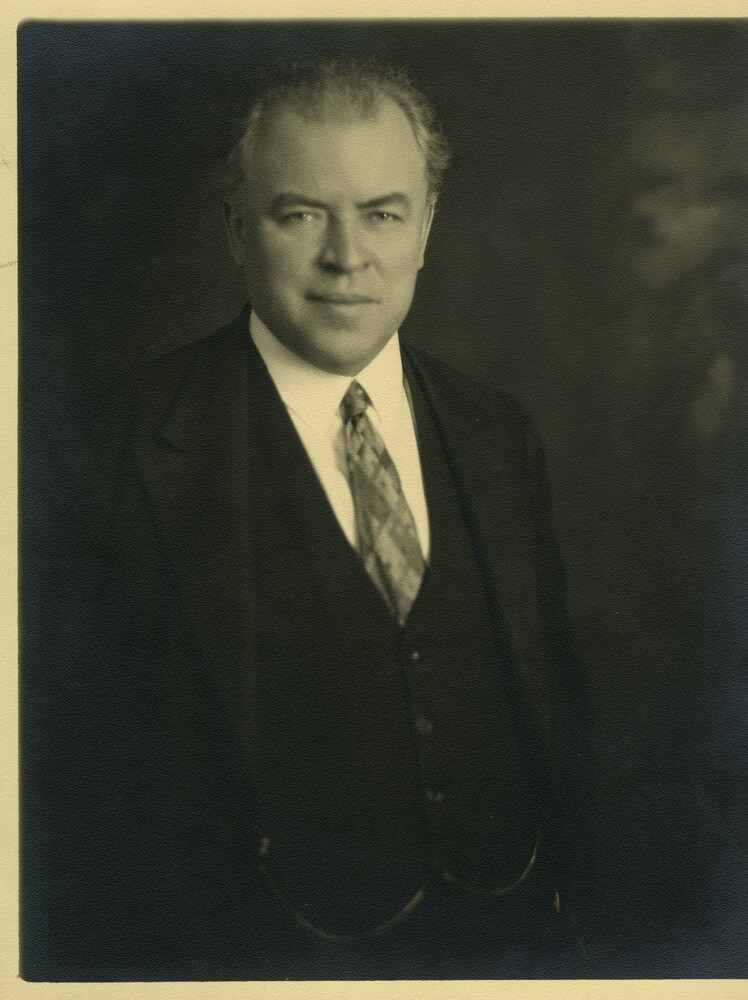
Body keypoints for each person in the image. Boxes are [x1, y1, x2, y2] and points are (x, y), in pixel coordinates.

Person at [99, 56, 594, 981]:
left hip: (512, 948)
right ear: (237, 230)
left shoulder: (497, 432)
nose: (346, 257)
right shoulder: (104, 448)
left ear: (427, 228)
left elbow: (564, 720)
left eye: (382, 212)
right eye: (300, 214)